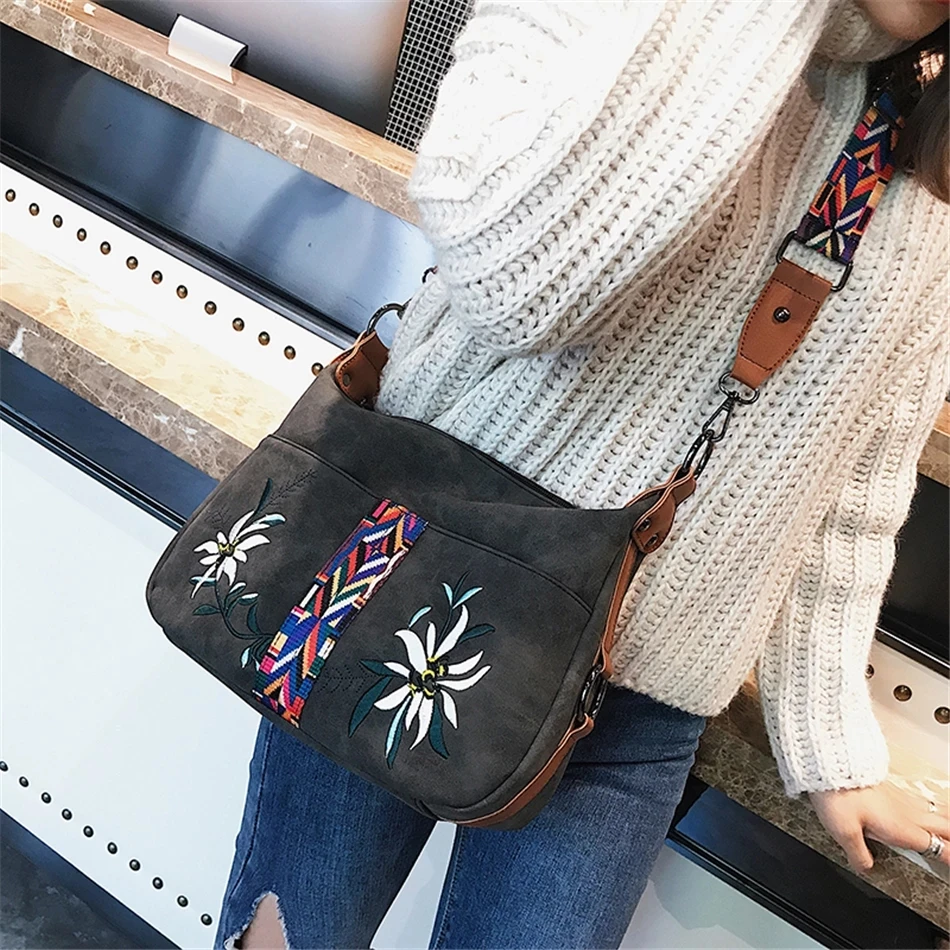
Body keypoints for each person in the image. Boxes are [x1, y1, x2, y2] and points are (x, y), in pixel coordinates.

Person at [216, 1, 950, 947]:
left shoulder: (920, 154)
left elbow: (852, 485)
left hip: (637, 704)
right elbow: (513, 288)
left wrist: (831, 743)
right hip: (401, 572)